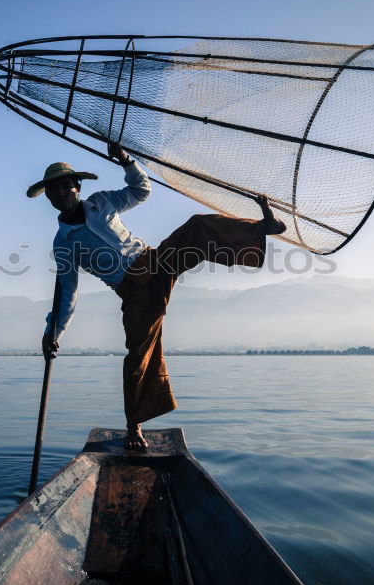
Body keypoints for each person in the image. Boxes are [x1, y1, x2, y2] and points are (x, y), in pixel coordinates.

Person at [28, 141, 286, 451]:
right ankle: (134, 425)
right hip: (133, 291)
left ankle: (261, 227)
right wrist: (52, 332)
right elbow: (67, 292)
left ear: (77, 187)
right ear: (50, 199)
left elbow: (141, 191)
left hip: (153, 261)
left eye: (66, 187)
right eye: (54, 191)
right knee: (138, 356)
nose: (60, 194)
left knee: (198, 226)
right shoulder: (64, 243)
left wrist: (125, 160)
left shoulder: (102, 203)